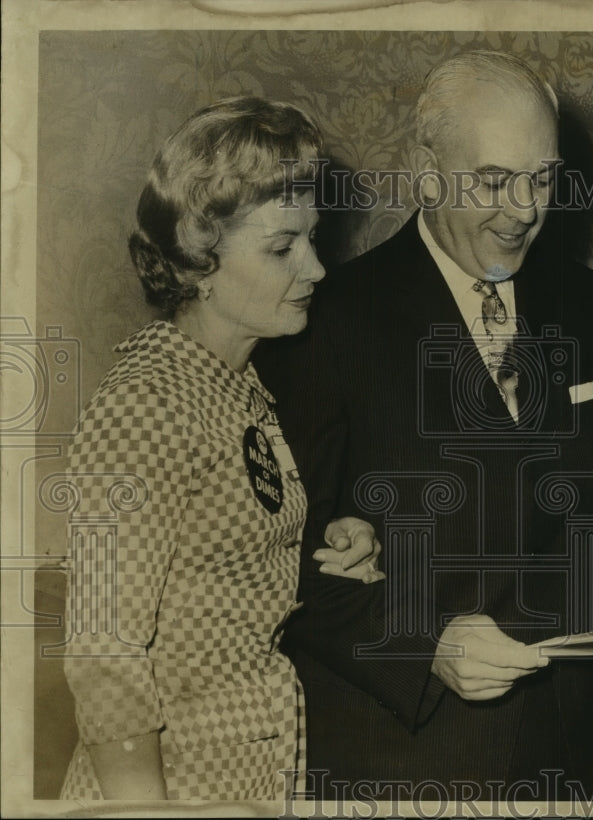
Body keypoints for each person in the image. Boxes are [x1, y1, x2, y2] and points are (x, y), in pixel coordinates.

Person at [255, 50, 593, 801]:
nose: (524, 209)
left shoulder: (583, 303)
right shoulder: (328, 320)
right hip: (401, 761)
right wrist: (427, 644)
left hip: (565, 760)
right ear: (426, 172)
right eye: (492, 180)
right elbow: (280, 562)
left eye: (543, 178)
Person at [59, 96, 380, 802]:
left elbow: (212, 553)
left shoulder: (237, 387)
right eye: (280, 248)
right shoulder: (149, 403)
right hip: (168, 788)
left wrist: (322, 537)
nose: (317, 270)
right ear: (199, 256)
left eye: (313, 239)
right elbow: (102, 653)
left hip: (251, 773)